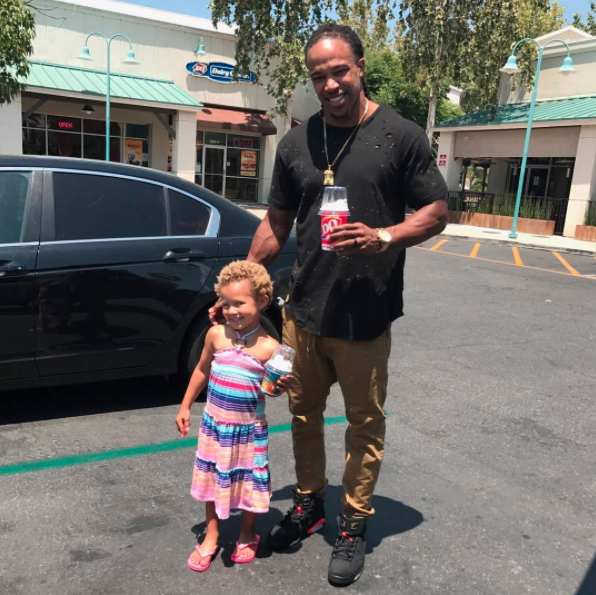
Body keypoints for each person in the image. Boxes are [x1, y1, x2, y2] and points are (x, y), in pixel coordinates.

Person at [210, 23, 448, 586]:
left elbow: (436, 210)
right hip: (302, 317)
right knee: (301, 416)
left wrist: (386, 236)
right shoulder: (296, 143)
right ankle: (310, 503)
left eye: (340, 70)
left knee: (364, 426)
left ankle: (353, 523)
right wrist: (241, 286)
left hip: (365, 318)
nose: (331, 83)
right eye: (320, 76)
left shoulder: (401, 135)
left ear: (360, 66)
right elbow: (276, 222)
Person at [176, 261, 291, 572]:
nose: (231, 310)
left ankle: (247, 532)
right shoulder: (215, 335)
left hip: (248, 430)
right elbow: (201, 370)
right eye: (226, 303)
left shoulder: (270, 348)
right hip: (214, 426)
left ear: (263, 302)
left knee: (249, 482)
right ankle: (211, 534)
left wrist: (280, 387)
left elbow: (272, 391)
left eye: (240, 303)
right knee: (212, 478)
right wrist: (186, 405)